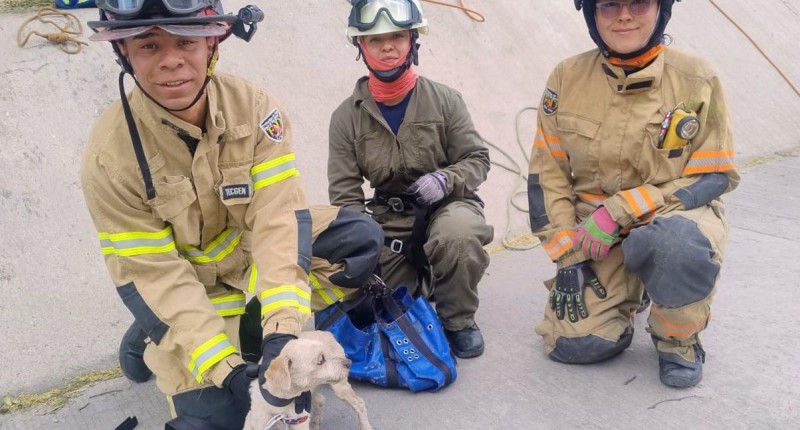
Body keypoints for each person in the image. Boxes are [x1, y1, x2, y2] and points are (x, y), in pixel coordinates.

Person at [81, 0, 383, 428]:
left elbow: (280, 221)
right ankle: (153, 332)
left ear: (213, 44)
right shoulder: (108, 158)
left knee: (358, 241)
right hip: (183, 287)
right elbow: (154, 274)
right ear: (124, 54)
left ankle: (248, 331)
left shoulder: (257, 109)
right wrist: (226, 370)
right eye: (148, 45)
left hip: (248, 257)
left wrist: (282, 331)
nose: (171, 61)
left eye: (186, 41)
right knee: (224, 417)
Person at [527, 0, 739, 387]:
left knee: (674, 245)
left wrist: (624, 207)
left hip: (671, 214)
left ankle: (678, 341)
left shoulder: (696, 78)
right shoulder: (567, 76)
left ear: (662, 9)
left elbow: (715, 176)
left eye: (638, 2)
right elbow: (547, 174)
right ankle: (626, 293)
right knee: (575, 345)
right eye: (608, 5)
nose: (624, 15)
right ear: (592, 14)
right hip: (593, 230)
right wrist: (568, 254)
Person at [328, 0, 494, 359]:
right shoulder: (346, 118)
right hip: (390, 218)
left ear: (412, 41)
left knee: (458, 237)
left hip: (447, 206)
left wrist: (445, 180)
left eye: (397, 36)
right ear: (361, 47)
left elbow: (477, 159)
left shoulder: (446, 100)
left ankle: (458, 321)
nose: (387, 46)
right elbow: (345, 193)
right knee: (367, 302)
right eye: (375, 39)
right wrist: (362, 242)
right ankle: (426, 279)